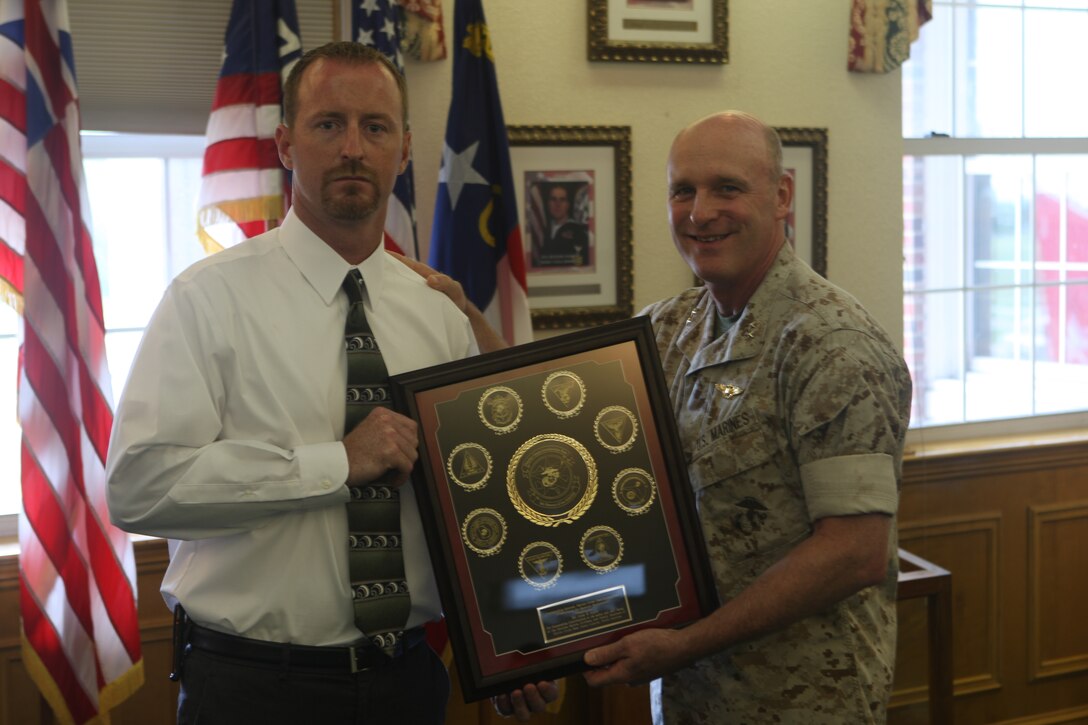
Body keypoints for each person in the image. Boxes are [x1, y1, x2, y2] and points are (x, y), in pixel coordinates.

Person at [410, 110, 912, 723]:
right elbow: (548, 418)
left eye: (726, 188)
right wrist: (464, 314)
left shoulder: (833, 344)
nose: (700, 213)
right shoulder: (670, 328)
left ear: (781, 196)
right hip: (688, 698)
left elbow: (854, 551)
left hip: (800, 699)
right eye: (683, 190)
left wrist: (684, 644)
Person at [106, 42, 555, 724]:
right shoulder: (205, 301)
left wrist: (514, 633)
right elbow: (138, 486)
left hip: (407, 681)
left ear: (404, 149)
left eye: (375, 127)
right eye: (327, 124)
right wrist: (336, 462)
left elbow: (472, 496)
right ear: (285, 143)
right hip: (252, 686)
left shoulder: (439, 314)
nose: (353, 147)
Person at [534, 183, 589, 267]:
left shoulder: (578, 232)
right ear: (548, 203)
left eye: (562, 200)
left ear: (568, 205)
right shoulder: (541, 229)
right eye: (553, 199)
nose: (558, 204)